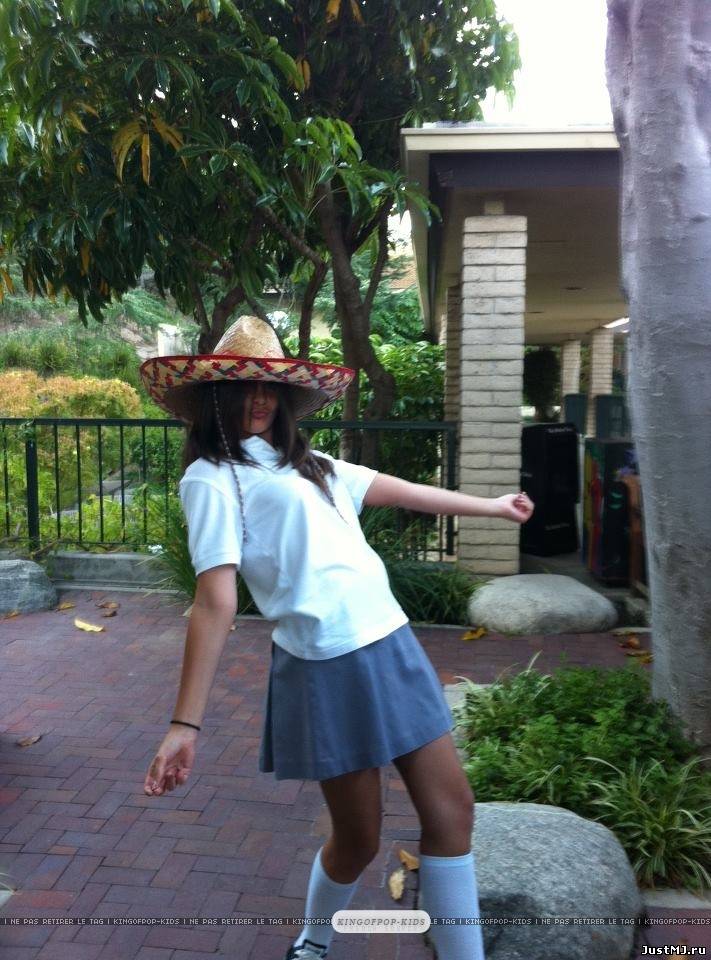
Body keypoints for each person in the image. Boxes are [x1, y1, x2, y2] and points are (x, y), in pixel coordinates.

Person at [139, 316, 535, 960]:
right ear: (216, 397)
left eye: (271, 387)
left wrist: (490, 506)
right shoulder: (211, 478)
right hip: (325, 665)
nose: (260, 399)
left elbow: (395, 490)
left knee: (453, 812)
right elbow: (214, 601)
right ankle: (314, 940)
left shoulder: (309, 464)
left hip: (392, 644)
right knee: (359, 839)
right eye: (244, 387)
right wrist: (185, 724)